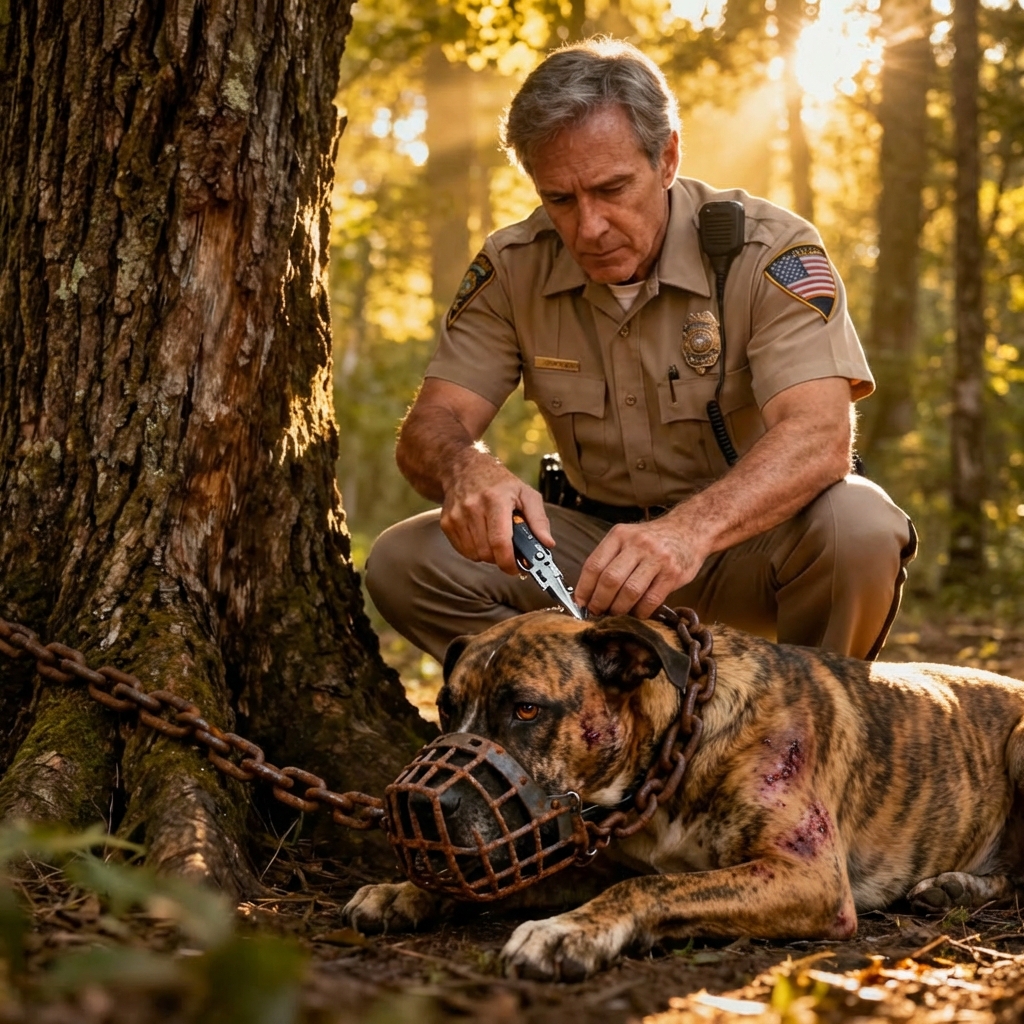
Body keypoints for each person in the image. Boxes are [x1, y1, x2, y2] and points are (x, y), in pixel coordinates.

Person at [366, 38, 916, 665]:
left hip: (748, 549)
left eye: (613, 188)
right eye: (561, 200)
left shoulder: (768, 250)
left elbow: (820, 434)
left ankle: (805, 737)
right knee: (405, 562)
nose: (589, 227)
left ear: (668, 157)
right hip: (591, 560)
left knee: (861, 525)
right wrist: (466, 467)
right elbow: (432, 426)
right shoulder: (513, 266)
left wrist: (687, 533)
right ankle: (587, 724)